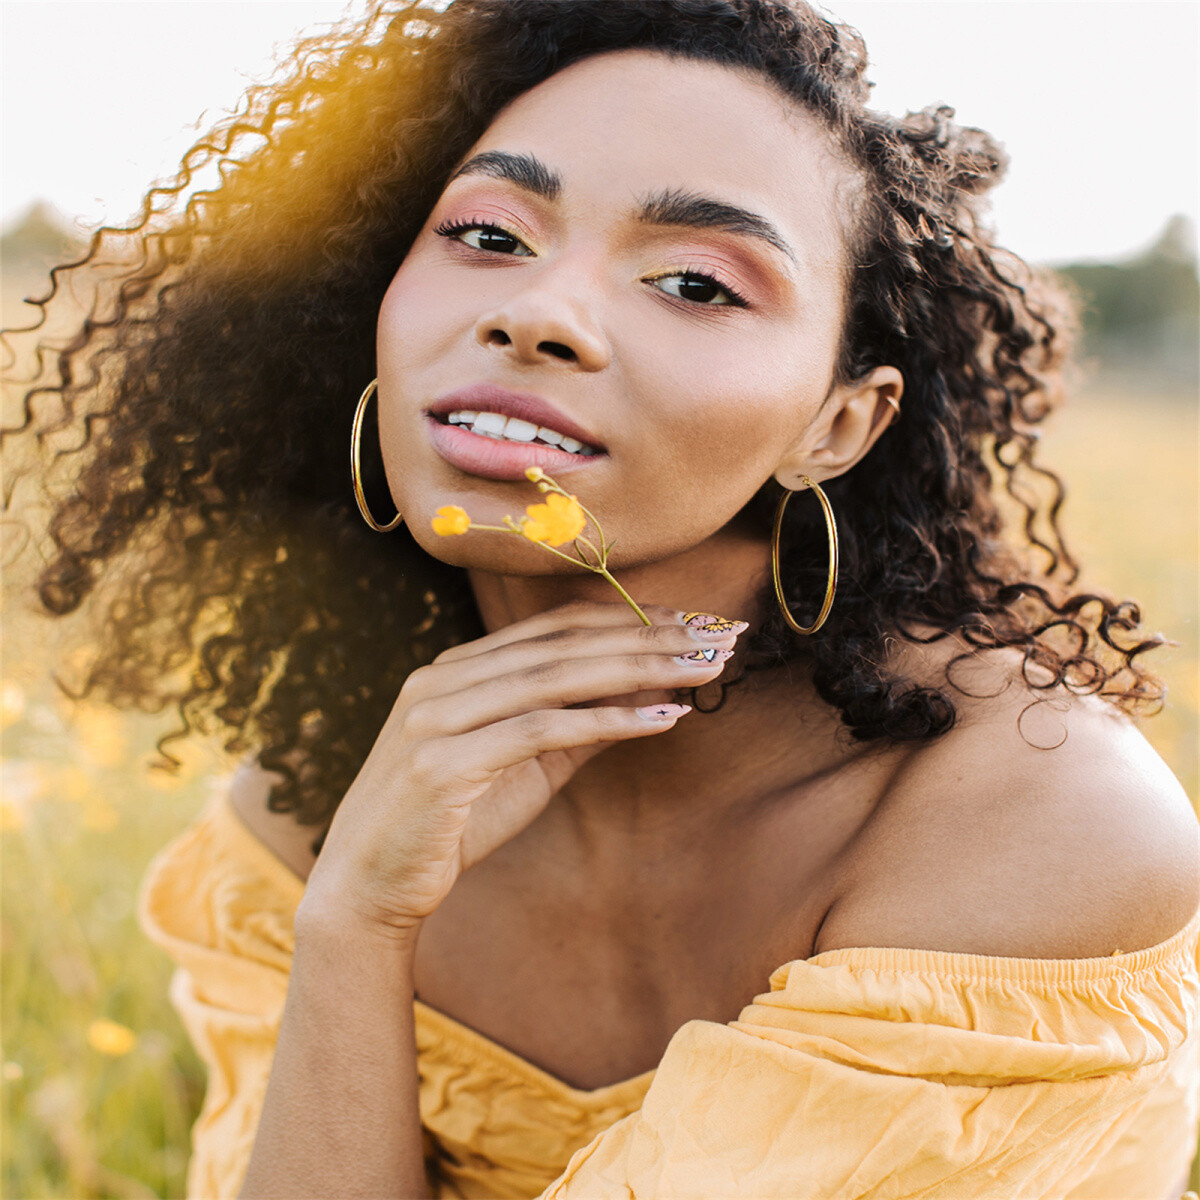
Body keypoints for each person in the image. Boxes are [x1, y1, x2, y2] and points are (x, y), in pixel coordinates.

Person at [4, 0, 1197, 1196]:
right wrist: (354, 928)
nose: (536, 313)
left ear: (838, 425)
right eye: (487, 234)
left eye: (693, 281)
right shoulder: (322, 809)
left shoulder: (1039, 833)